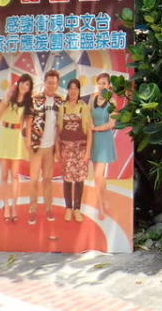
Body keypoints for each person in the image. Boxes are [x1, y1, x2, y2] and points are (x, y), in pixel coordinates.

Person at [0, 73, 33, 222]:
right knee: (4, 175)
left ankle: (15, 206)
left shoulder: (29, 103)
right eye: (22, 82)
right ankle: (6, 205)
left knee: (15, 176)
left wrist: (28, 143)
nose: (24, 86)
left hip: (16, 137)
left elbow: (28, 126)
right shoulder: (9, 96)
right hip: (4, 135)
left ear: (29, 88)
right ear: (18, 83)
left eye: (27, 84)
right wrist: (6, 97)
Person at [28, 69, 63, 226]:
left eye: (54, 83)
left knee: (48, 180)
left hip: (50, 148)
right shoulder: (35, 100)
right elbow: (28, 123)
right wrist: (28, 143)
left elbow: (60, 126)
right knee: (34, 180)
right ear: (45, 82)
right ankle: (32, 210)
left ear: (57, 84)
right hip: (36, 146)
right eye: (49, 82)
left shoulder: (60, 102)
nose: (51, 85)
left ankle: (49, 208)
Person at [58, 78, 92, 222]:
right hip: (66, 148)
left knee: (79, 180)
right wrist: (58, 150)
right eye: (71, 88)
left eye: (76, 88)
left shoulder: (84, 107)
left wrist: (88, 152)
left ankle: (77, 209)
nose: (73, 91)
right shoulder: (63, 107)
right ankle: (68, 208)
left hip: (81, 149)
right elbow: (58, 132)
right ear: (68, 90)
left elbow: (89, 132)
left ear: (79, 91)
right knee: (67, 179)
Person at [90, 73, 117, 220]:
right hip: (94, 140)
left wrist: (96, 128)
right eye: (99, 83)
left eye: (104, 83)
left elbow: (112, 124)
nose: (102, 85)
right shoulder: (92, 99)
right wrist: (91, 128)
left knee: (98, 176)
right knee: (99, 177)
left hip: (104, 139)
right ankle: (104, 201)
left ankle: (100, 207)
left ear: (109, 85)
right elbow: (88, 117)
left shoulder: (112, 101)